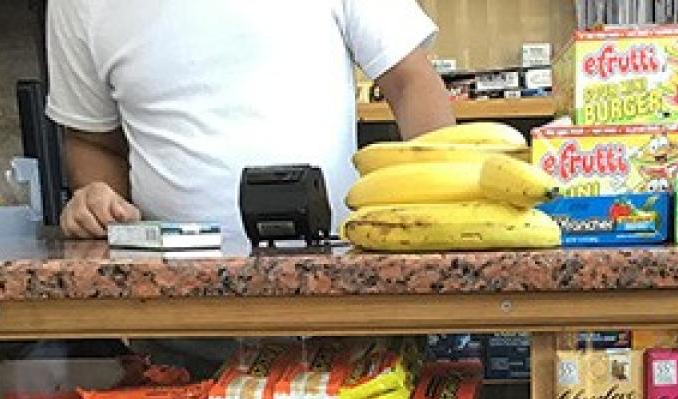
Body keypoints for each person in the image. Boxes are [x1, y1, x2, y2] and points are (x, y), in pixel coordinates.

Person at [45, 0, 455, 244]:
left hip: (338, 282)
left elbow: (411, 83)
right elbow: (92, 140)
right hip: (171, 303)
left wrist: (446, 216)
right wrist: (99, 202)